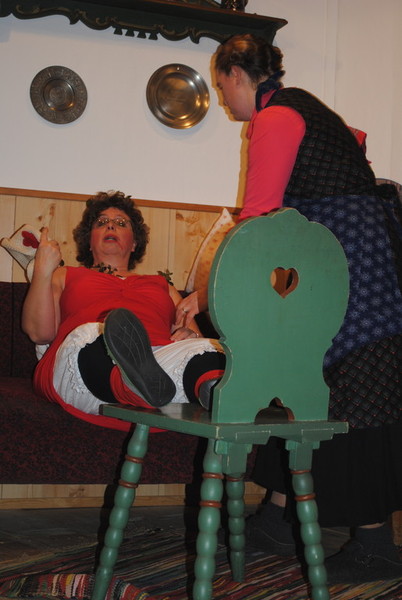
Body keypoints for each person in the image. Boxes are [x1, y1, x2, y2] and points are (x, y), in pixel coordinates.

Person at [176, 33, 402, 584]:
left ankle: (376, 546)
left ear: (237, 74)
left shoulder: (277, 118)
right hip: (340, 266)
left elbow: (259, 223)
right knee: (304, 391)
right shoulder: (304, 109)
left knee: (355, 400)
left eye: (223, 86)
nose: (225, 100)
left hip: (357, 274)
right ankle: (278, 522)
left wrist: (205, 294)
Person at [22, 191, 225, 432]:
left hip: (156, 364)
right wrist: (43, 269)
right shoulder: (65, 275)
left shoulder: (163, 286)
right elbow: (39, 334)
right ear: (89, 241)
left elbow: (193, 339)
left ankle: (216, 394)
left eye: (121, 223)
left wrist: (190, 336)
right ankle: (136, 386)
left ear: (134, 242)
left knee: (208, 351)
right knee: (93, 335)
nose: (110, 226)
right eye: (101, 222)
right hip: (84, 364)